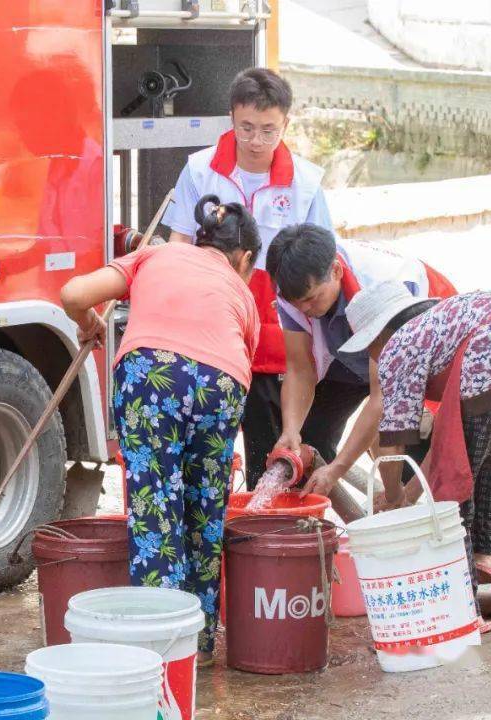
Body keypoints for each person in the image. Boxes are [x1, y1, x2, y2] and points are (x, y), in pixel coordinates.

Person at [266, 224, 491, 595]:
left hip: (429, 350)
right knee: (313, 438)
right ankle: (364, 538)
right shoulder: (296, 294)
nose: (305, 310)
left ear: (336, 270)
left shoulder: (380, 285)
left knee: (460, 443)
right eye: (297, 304)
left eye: (312, 299)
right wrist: (291, 430)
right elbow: (300, 369)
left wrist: (366, 480)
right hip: (351, 353)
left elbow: (384, 400)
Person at [60, 196, 260, 666]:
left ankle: (162, 646)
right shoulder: (242, 292)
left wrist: (90, 324)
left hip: (151, 377)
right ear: (245, 258)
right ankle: (202, 643)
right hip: (221, 382)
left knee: (155, 507)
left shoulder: (157, 253)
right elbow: (240, 354)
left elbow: (72, 295)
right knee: (204, 508)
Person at [340, 282, 491, 606]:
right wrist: (408, 495)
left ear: (378, 335)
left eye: (368, 348)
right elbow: (447, 441)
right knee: (481, 453)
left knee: (453, 481)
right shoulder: (438, 325)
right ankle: (482, 556)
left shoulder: (397, 346)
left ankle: (463, 601)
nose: (371, 358)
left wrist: (392, 496)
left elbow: (395, 440)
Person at [162, 67, 334, 490]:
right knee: (206, 445)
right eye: (247, 128)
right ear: (231, 118)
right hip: (212, 324)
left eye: (269, 129)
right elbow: (178, 242)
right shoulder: (200, 170)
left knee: (269, 446)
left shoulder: (306, 182)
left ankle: (270, 535)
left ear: (286, 123)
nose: (256, 140)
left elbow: (323, 256)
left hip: (278, 333)